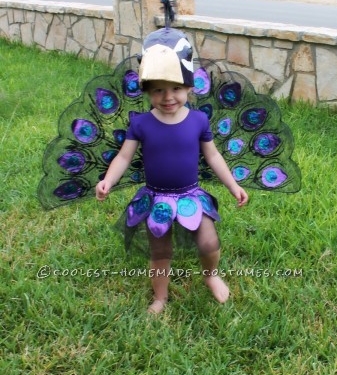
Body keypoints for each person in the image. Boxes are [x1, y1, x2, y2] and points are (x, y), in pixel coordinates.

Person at [95, 28, 248, 314]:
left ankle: (211, 274)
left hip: (191, 195)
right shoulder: (140, 123)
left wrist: (233, 185)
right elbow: (124, 157)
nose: (168, 97)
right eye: (158, 90)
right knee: (160, 251)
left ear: (190, 88)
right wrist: (108, 179)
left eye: (176, 88)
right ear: (147, 91)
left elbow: (213, 156)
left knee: (209, 240)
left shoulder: (199, 120)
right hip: (156, 199)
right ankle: (160, 297)